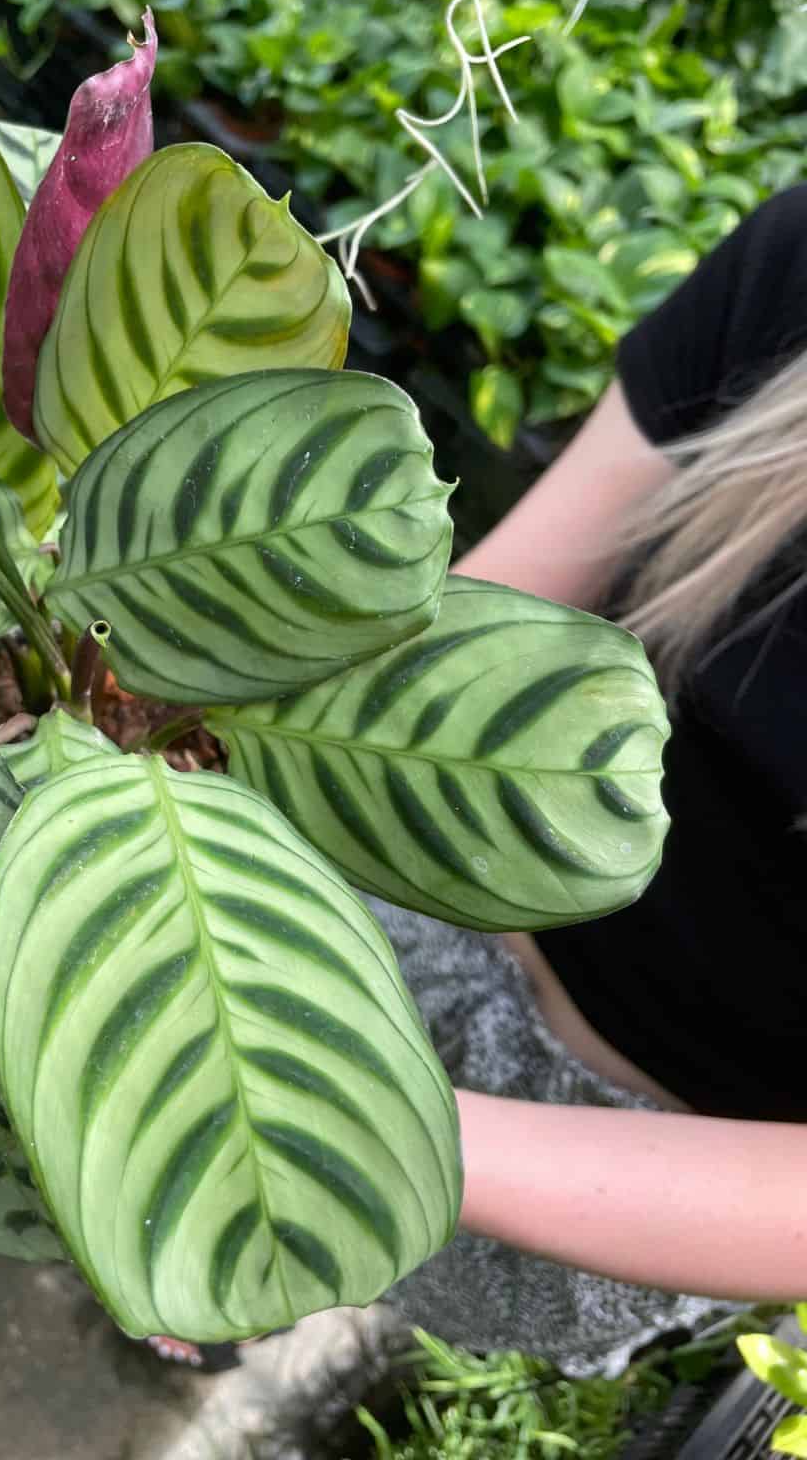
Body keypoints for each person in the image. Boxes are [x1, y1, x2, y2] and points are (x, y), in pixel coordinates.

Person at [162, 187, 807, 1459]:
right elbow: (483, 626)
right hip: (418, 887)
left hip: (603, 1167)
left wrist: (365, 1127)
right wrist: (179, 738)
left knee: (281, 1222)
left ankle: (237, 1289)